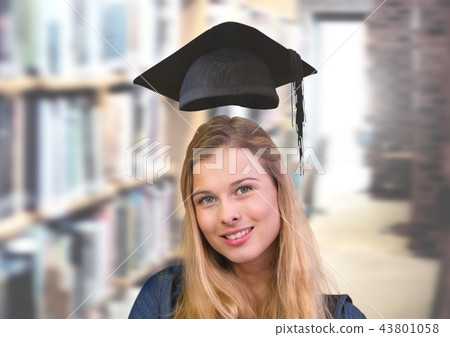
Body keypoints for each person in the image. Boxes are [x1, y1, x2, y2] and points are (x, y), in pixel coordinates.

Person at [129, 115, 366, 319]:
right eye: (207, 199)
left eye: (243, 189)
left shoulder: (340, 320)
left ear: (280, 191)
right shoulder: (161, 300)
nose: (228, 215)